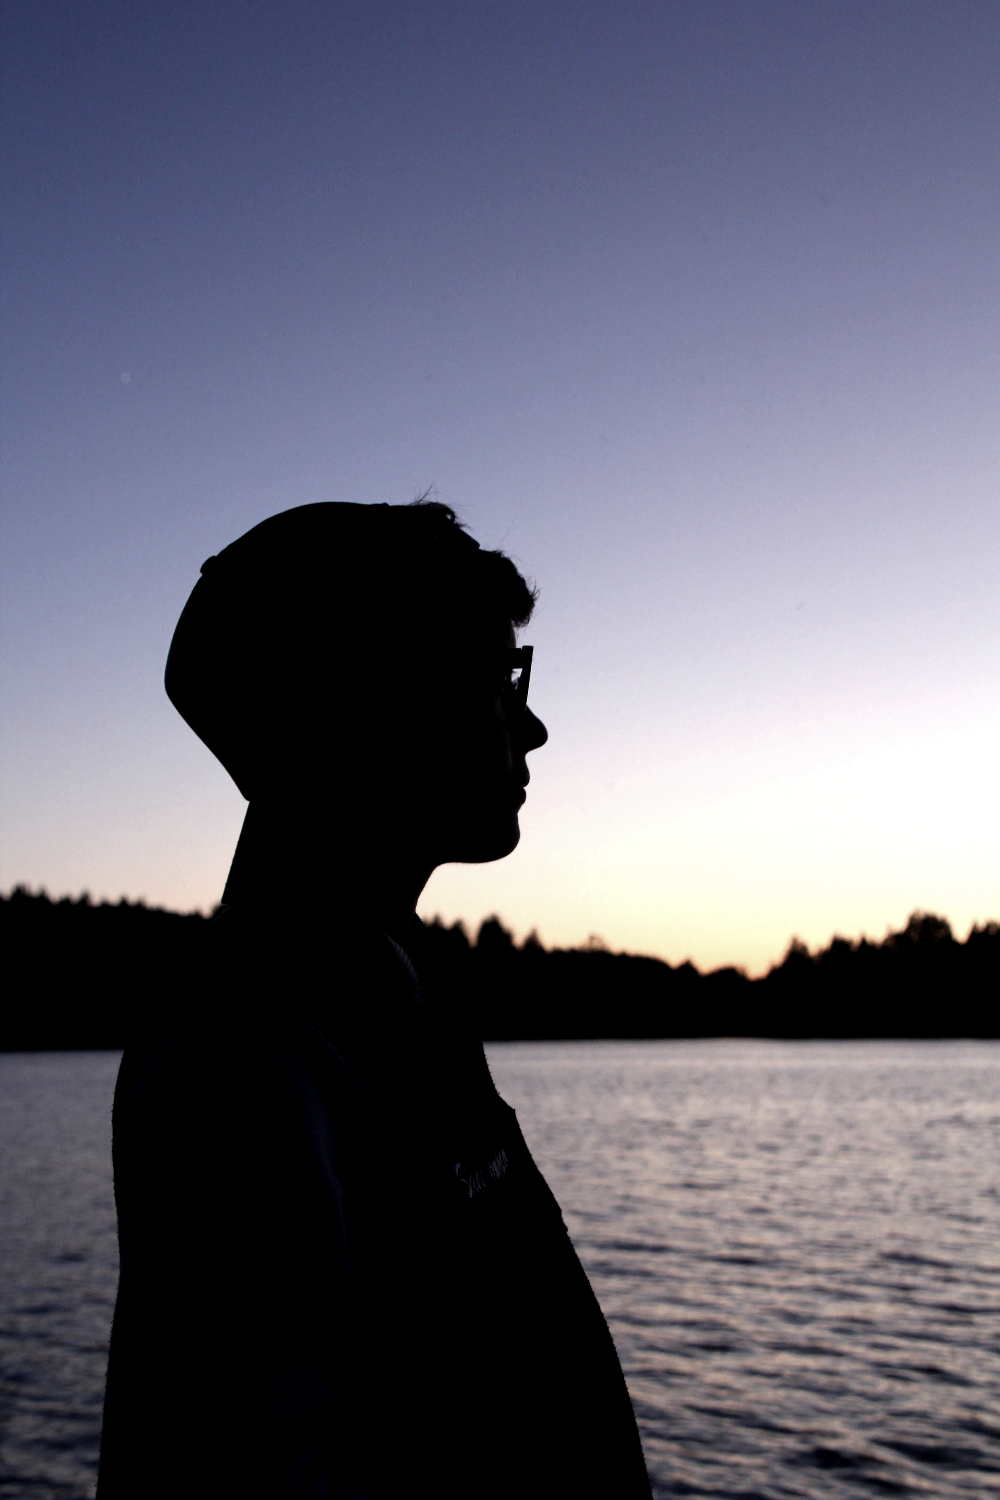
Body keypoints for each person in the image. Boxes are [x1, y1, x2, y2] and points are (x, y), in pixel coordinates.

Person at [97, 500, 651, 1499]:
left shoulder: (394, 999)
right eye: (498, 680)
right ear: (377, 702)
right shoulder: (239, 1067)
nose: (530, 723)